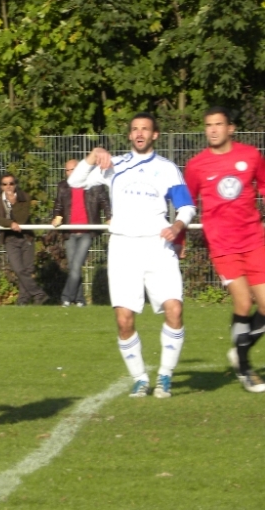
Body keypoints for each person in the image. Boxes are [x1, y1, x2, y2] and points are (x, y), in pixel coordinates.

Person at [69, 112, 195, 398]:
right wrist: (92, 157)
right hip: (124, 248)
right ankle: (140, 378)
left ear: (154, 135)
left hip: (158, 246)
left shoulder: (167, 168)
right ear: (129, 135)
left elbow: (186, 206)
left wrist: (177, 225)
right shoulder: (115, 165)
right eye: (135, 129)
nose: (139, 133)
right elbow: (76, 182)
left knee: (174, 309)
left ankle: (164, 376)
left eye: (145, 129)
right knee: (124, 319)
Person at [184, 107, 265, 393]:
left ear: (231, 128)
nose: (213, 130)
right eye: (208, 125)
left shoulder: (251, 155)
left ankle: (239, 349)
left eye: (219, 124)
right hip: (222, 245)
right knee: (243, 303)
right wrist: (179, 238)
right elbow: (187, 204)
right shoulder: (196, 165)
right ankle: (244, 367)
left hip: (254, 240)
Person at [51, 159, 111, 307]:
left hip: (86, 232)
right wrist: (57, 216)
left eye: (73, 169)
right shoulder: (63, 187)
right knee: (73, 267)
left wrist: (109, 217)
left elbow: (105, 201)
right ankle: (80, 300)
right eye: (68, 170)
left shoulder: (93, 184)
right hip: (69, 232)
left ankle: (65, 298)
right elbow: (58, 205)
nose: (70, 173)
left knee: (76, 266)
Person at [0, 174, 48, 305]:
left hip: (26, 237)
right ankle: (38, 293)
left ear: (15, 185)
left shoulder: (24, 197)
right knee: (18, 269)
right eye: (5, 184)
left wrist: (13, 203)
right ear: (1, 186)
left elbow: (22, 219)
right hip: (10, 238)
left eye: (11, 183)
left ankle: (23, 300)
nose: (8, 186)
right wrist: (9, 223)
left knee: (27, 270)